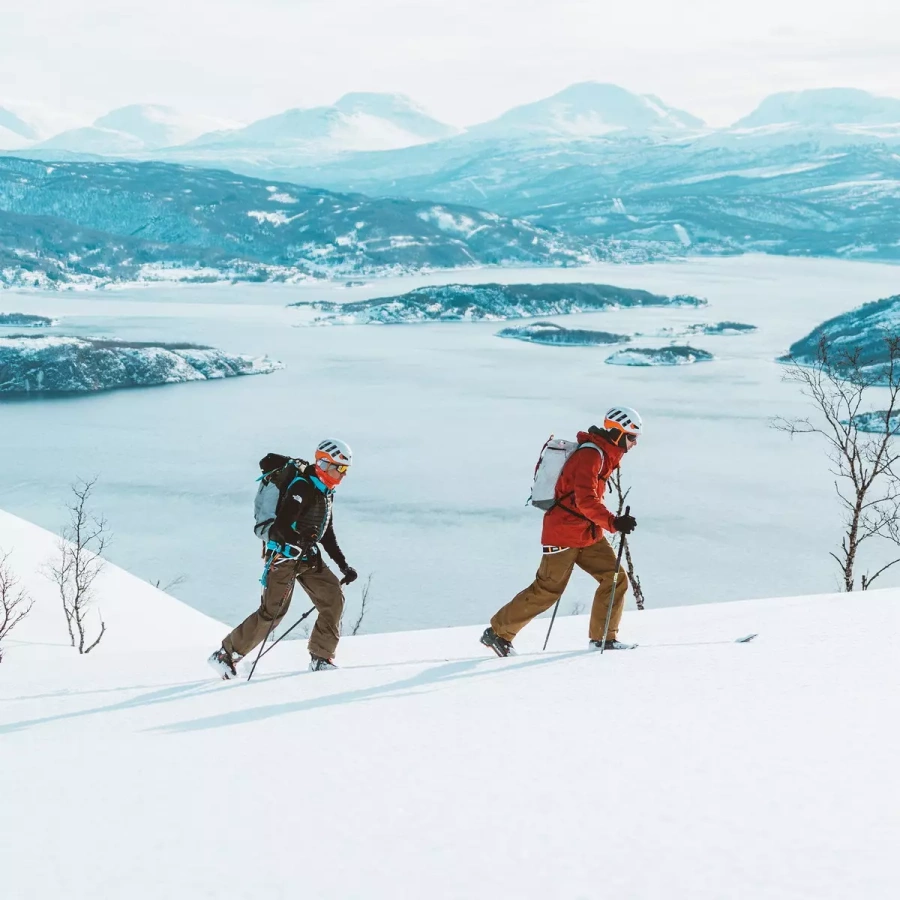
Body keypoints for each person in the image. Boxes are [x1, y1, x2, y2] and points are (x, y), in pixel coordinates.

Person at [481, 407, 642, 657]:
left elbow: (588, 501)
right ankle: (498, 633)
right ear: (617, 433)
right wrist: (614, 522)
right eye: (632, 437)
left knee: (614, 577)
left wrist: (612, 522)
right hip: (564, 533)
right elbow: (585, 500)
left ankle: (604, 639)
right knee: (547, 590)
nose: (634, 444)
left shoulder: (604, 455)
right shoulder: (591, 455)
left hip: (586, 534)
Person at [209, 439, 358, 679]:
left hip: (308, 557)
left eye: (344, 471)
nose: (341, 475)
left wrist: (343, 565)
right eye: (337, 468)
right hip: (284, 557)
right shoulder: (302, 487)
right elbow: (280, 526)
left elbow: (326, 533)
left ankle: (321, 658)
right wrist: (295, 542)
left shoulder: (325, 492)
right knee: (273, 613)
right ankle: (225, 654)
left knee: (333, 599)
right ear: (322, 462)